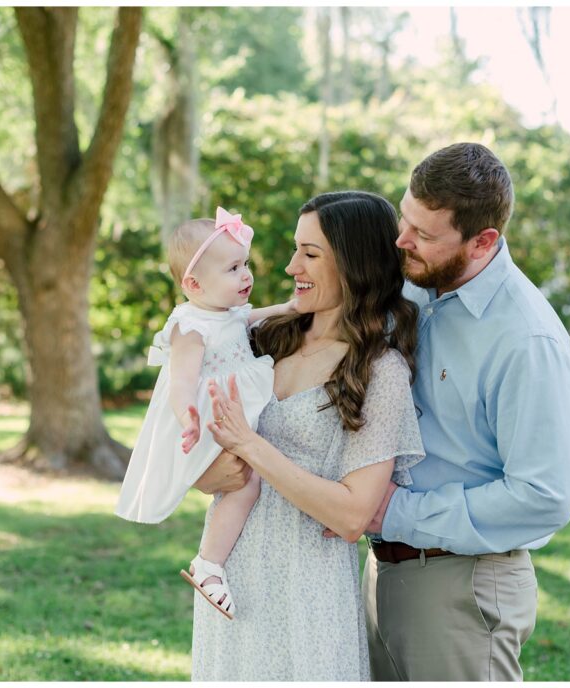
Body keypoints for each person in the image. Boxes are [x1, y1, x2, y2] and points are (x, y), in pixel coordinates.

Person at [359, 142, 570, 681]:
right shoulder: (416, 284)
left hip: (460, 587)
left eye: (425, 235)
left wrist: (394, 514)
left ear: (483, 241)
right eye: (404, 219)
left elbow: (543, 496)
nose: (401, 242)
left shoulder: (525, 338)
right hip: (382, 573)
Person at [191, 191, 425, 680]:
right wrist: (206, 472)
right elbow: (196, 449)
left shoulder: (379, 371)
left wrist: (252, 447)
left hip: (307, 587)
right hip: (233, 576)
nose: (291, 264)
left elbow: (352, 514)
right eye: (297, 249)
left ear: (354, 264)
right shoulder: (264, 340)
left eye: (310, 254)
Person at [114, 208, 294, 620]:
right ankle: (208, 565)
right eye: (233, 268)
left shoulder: (225, 312)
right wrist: (189, 418)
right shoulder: (189, 326)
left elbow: (248, 318)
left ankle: (214, 563)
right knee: (243, 486)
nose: (246, 275)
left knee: (250, 480)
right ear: (194, 284)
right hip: (208, 417)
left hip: (229, 408)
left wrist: (288, 308)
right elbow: (180, 382)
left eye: (244, 264)